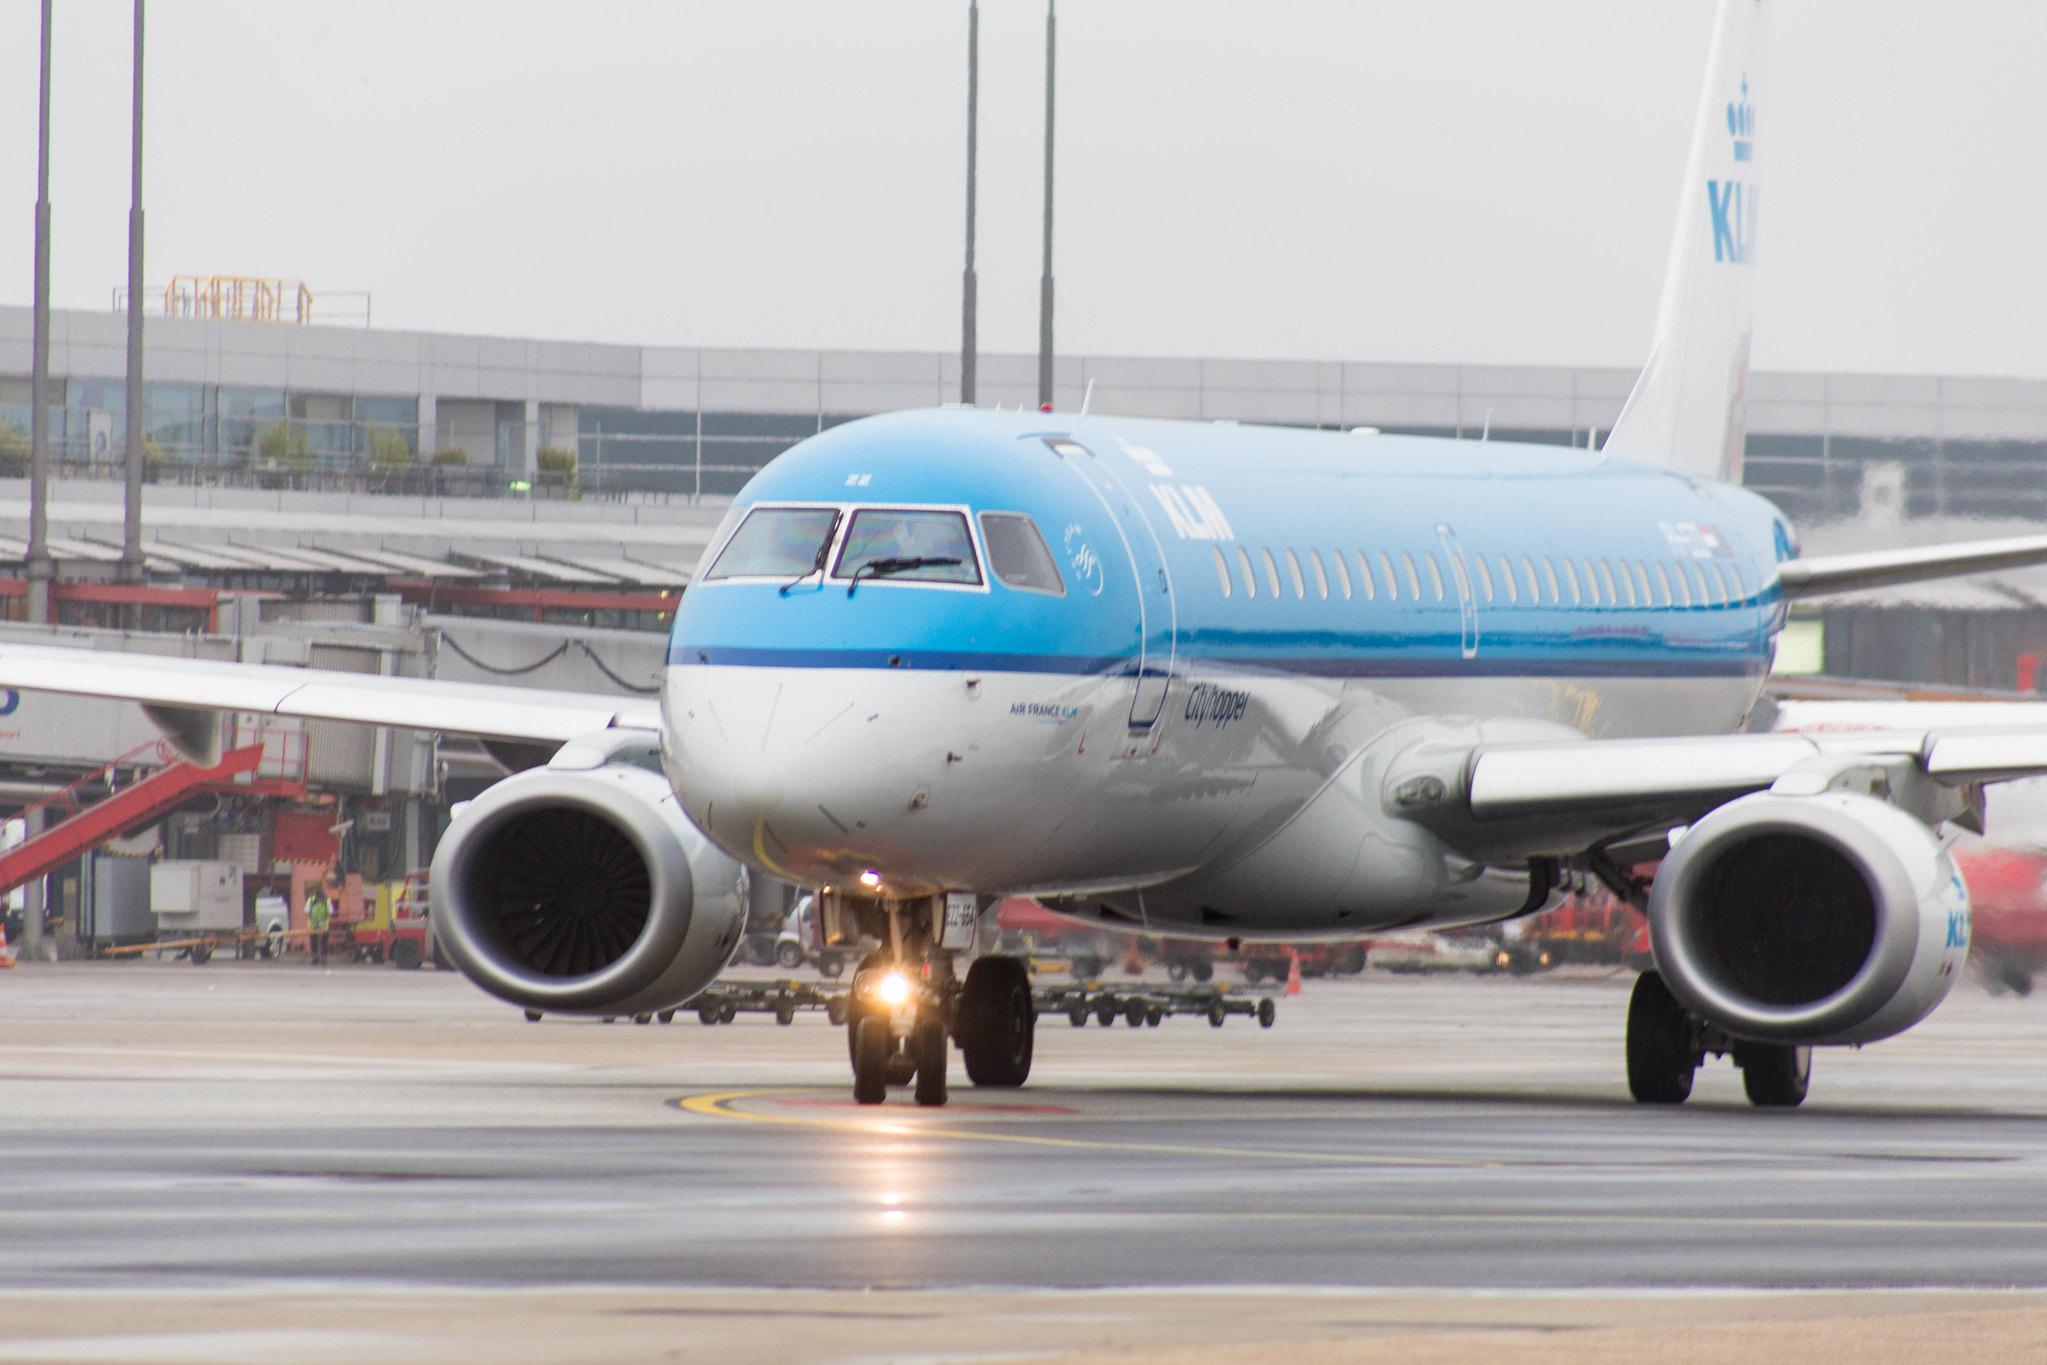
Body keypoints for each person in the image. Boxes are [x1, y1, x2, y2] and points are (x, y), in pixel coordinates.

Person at [305, 883, 332, 966]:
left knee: (321, 940)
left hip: (321, 923)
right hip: (316, 923)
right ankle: (317, 958)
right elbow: (308, 912)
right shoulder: (312, 900)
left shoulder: (325, 901)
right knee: (316, 940)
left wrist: (322, 921)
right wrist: (316, 921)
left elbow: (328, 912)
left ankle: (320, 958)